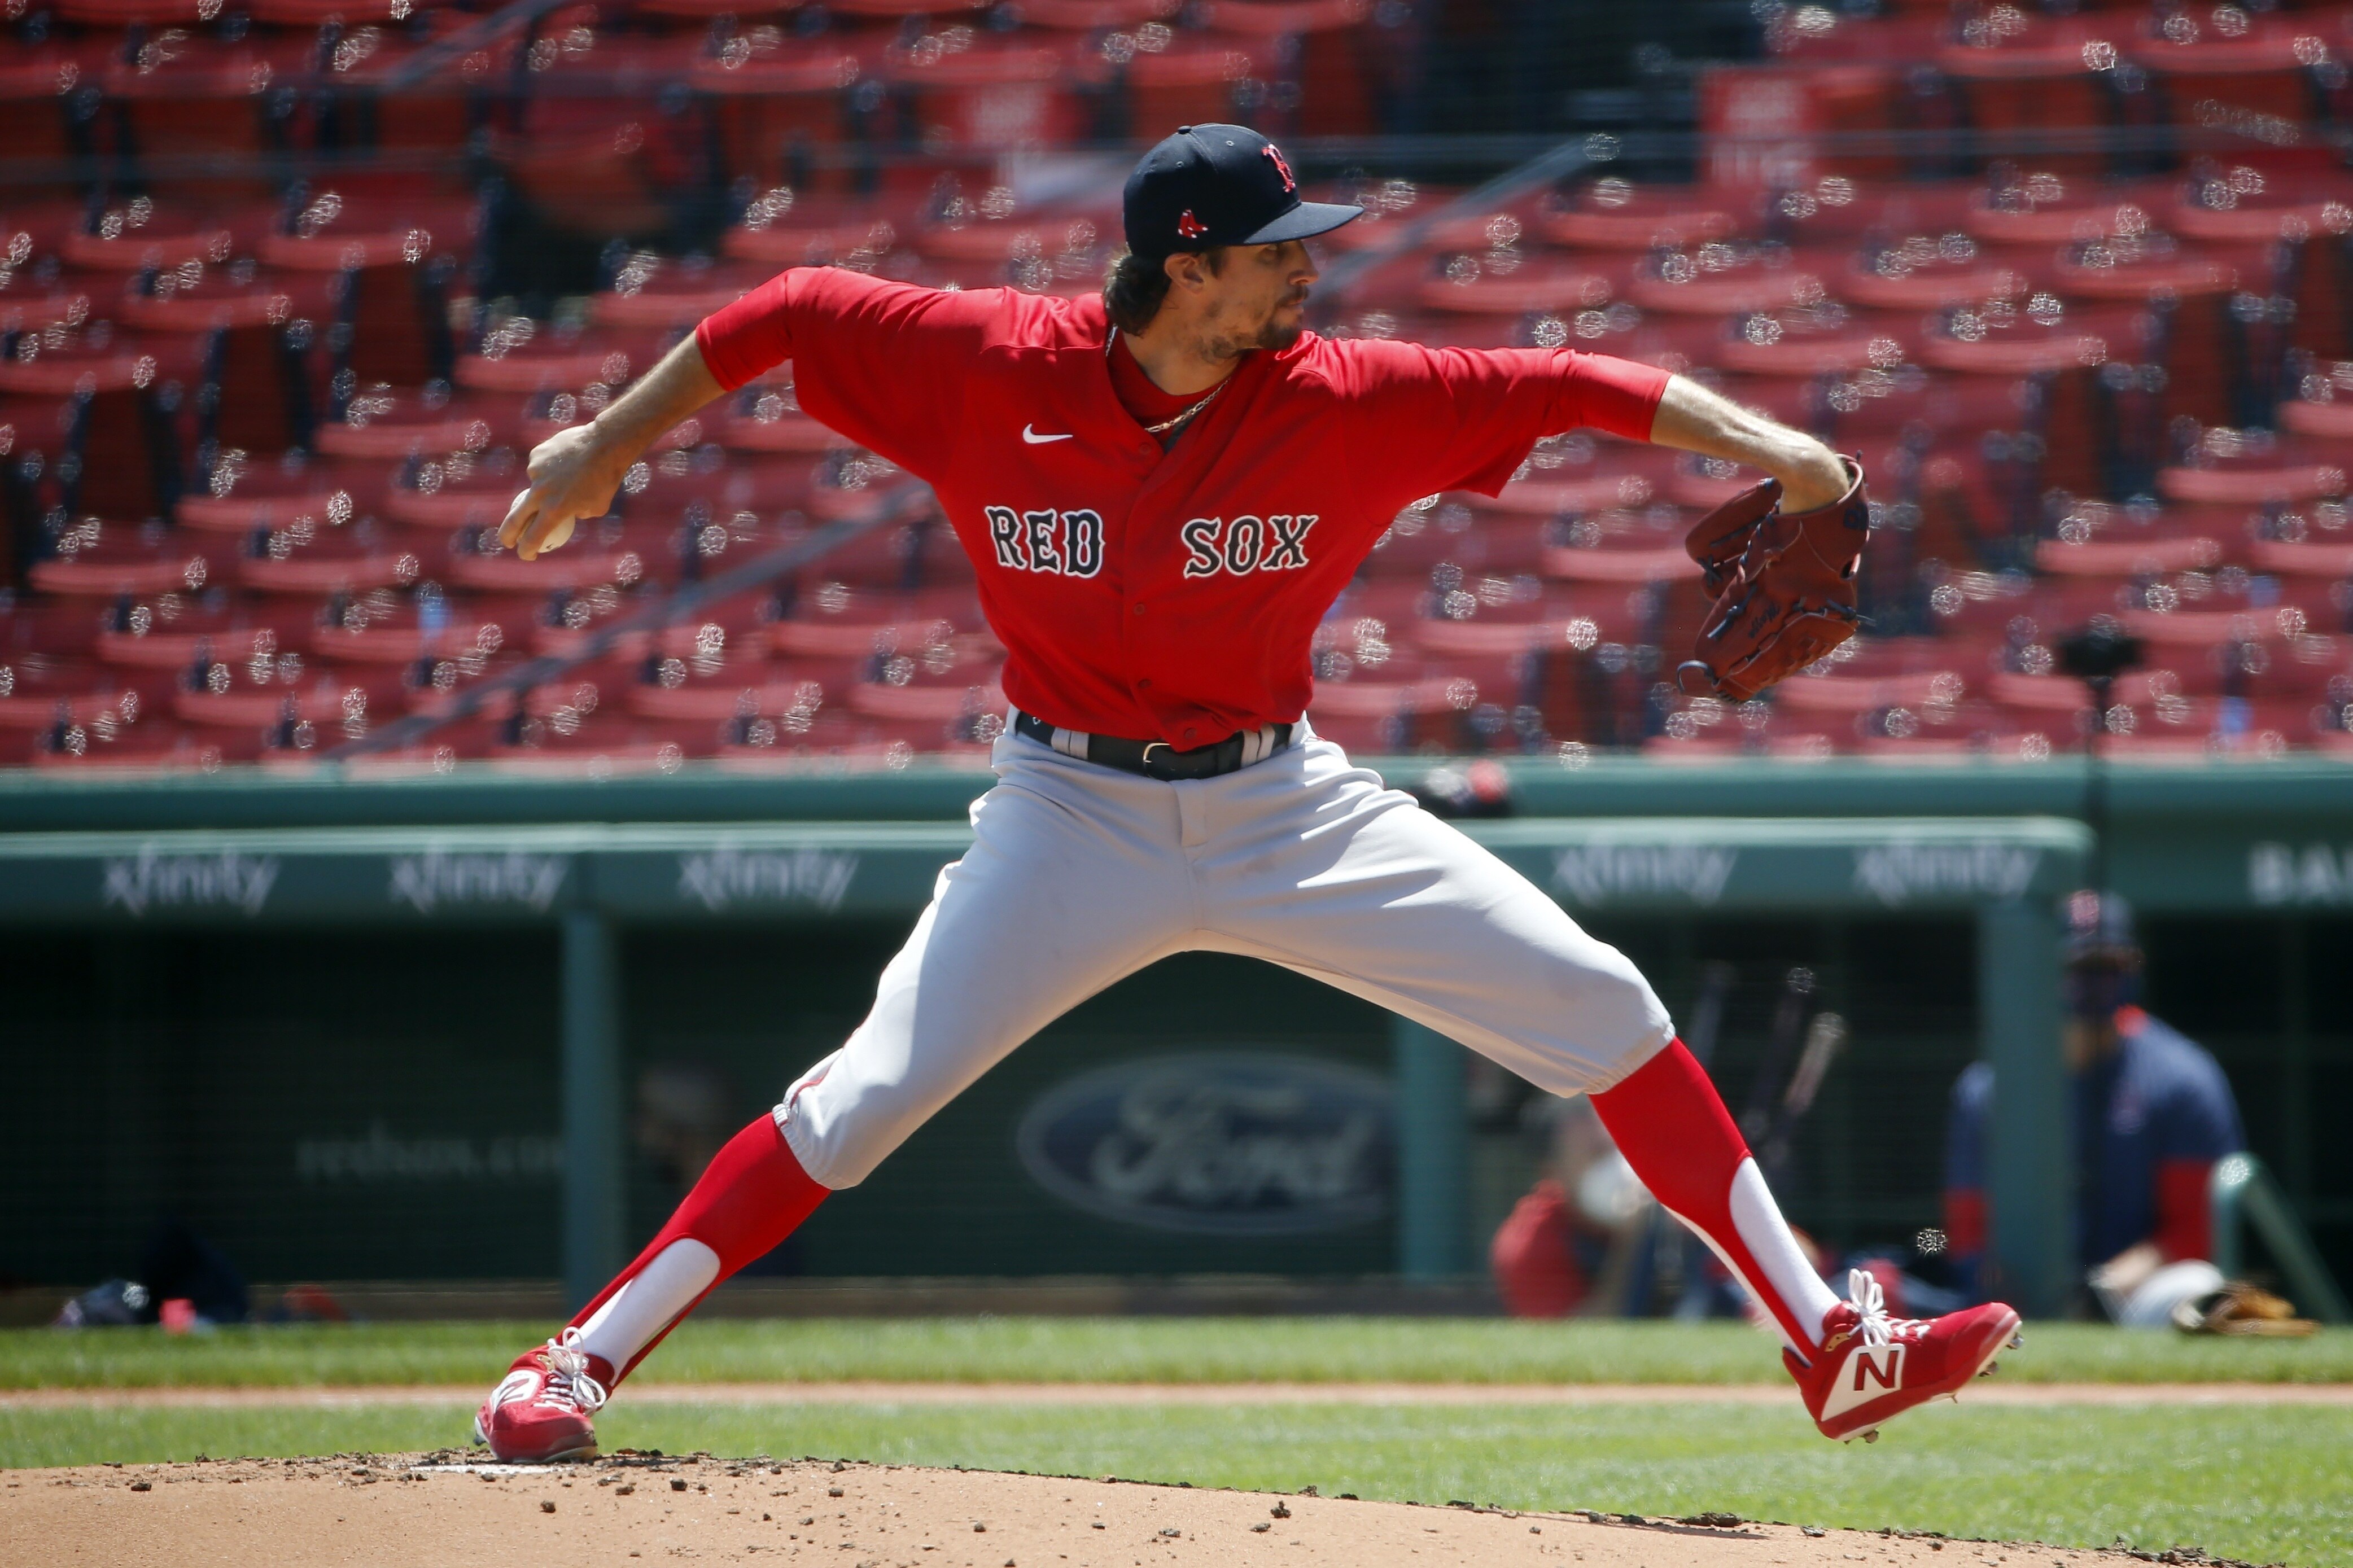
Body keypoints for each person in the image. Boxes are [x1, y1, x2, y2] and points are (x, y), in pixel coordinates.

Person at [474, 124, 2019, 1462]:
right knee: (863, 1098)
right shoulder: (992, 363)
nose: (1307, 271)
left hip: (1285, 805)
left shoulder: (1342, 394)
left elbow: (1567, 381)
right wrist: (606, 442)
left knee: (1605, 1004)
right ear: (1187, 265)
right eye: (1276, 252)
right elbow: (788, 310)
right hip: (1066, 809)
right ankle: (575, 1361)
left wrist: (1786, 447)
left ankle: (1833, 1345)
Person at [1943, 892, 2244, 1324]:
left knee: (2196, 1284)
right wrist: (1996, 1287)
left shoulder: (2184, 1077)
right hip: (2011, 1300)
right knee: (1896, 1278)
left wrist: (2101, 1289)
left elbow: (2196, 1233)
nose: (2091, 982)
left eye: (2106, 967)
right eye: (2076, 966)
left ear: (2133, 968)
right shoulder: (1987, 1089)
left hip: (2133, 1295)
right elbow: (1964, 1233)